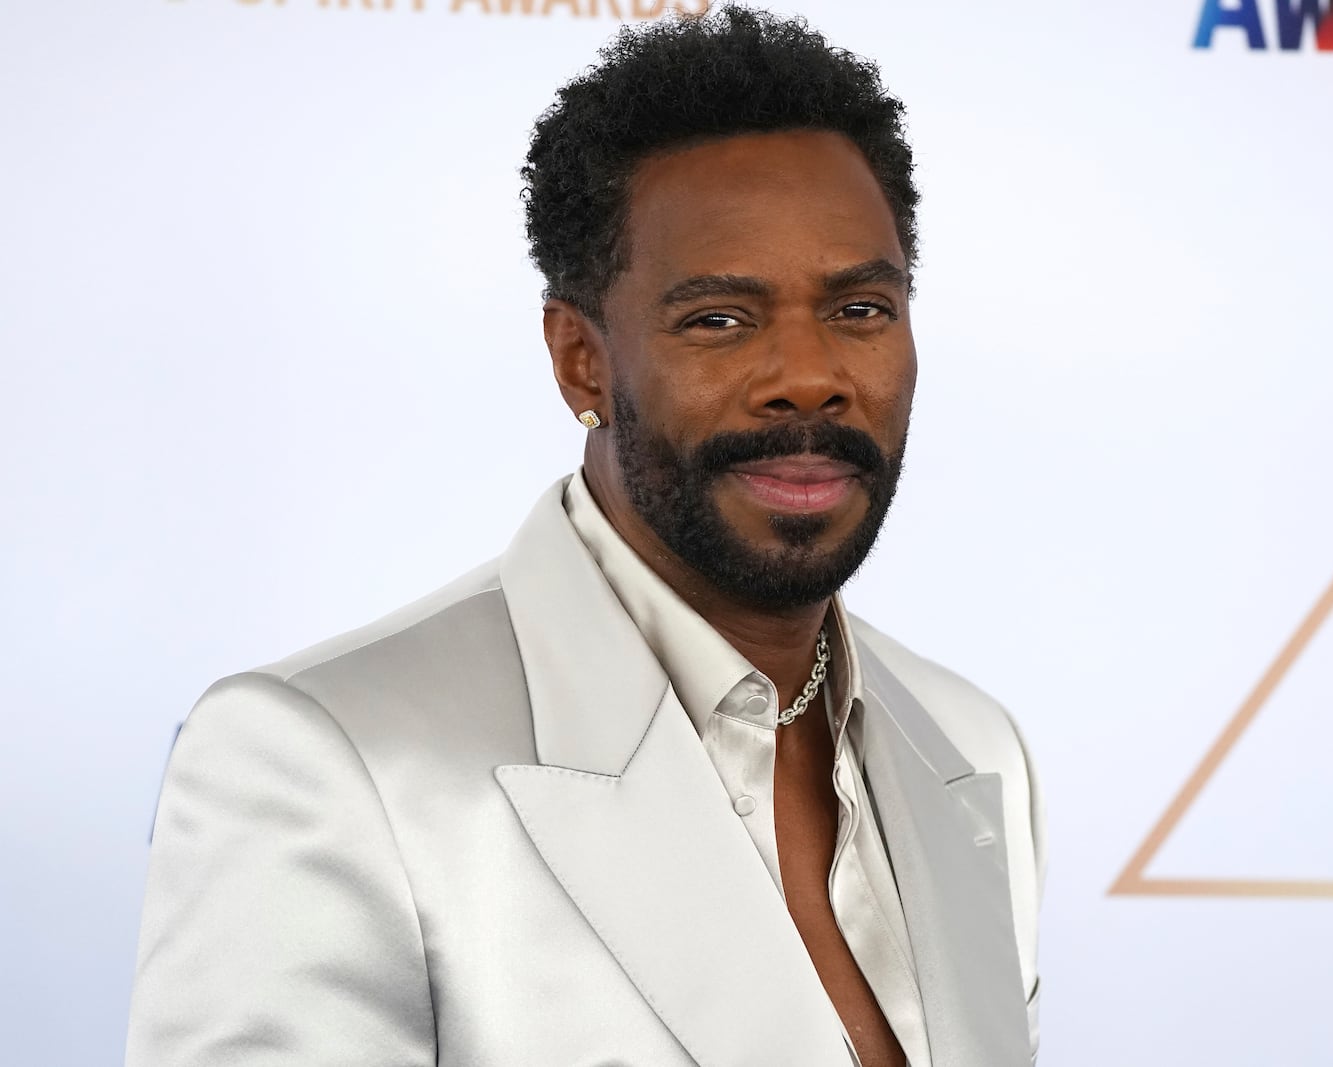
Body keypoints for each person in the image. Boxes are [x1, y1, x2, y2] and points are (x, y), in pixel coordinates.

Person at [126, 7, 1045, 1066]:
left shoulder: (976, 751)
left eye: (861, 309)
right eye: (719, 319)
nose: (811, 375)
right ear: (580, 360)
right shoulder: (325, 759)